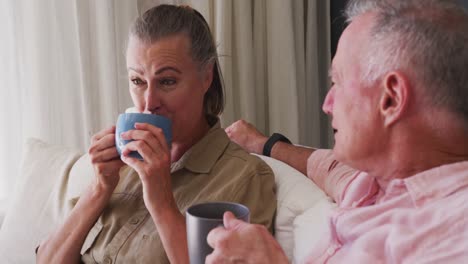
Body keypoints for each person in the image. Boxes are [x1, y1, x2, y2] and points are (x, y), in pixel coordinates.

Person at [207, 0, 468, 263]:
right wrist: (263, 143)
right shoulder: (375, 180)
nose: (327, 104)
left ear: (391, 98)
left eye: (338, 82)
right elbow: (324, 164)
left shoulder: (452, 237)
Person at [36, 4, 276, 264]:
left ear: (206, 77)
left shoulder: (244, 177)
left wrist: (161, 201)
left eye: (167, 81)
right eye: (138, 81)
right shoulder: (121, 165)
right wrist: (98, 189)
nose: (149, 103)